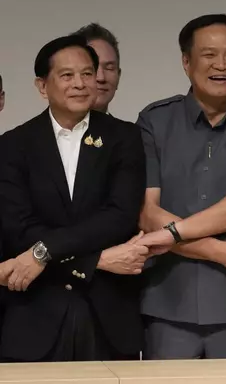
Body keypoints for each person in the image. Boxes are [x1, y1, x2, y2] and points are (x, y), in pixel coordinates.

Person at [135, 14, 226, 359]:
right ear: (187, 62)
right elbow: (147, 213)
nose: (222, 65)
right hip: (169, 295)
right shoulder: (155, 120)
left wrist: (172, 235)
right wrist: (219, 252)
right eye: (209, 55)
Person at [0, 35, 147, 362]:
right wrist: (95, 261)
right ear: (42, 86)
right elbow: (17, 228)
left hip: (108, 313)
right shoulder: (13, 145)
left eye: (87, 74)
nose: (80, 84)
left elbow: (119, 215)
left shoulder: (124, 138)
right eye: (67, 76)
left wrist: (43, 252)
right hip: (35, 312)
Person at [71, 23, 121, 114]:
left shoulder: (129, 128)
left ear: (119, 76)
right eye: (92, 68)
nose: (101, 78)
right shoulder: (39, 127)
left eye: (109, 68)